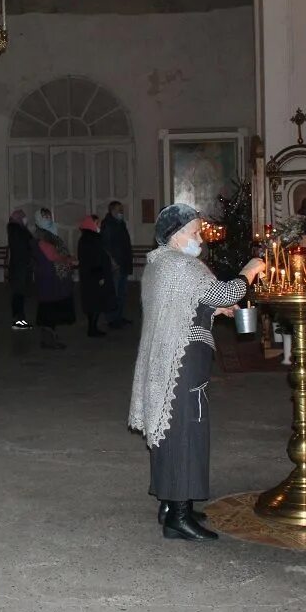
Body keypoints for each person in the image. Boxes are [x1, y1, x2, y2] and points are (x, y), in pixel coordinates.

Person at [129, 203, 265, 541]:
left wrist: (213, 309)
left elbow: (180, 305)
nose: (200, 237)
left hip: (167, 355)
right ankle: (179, 517)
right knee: (186, 431)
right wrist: (250, 269)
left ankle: (170, 502)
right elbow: (229, 291)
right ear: (176, 236)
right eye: (194, 231)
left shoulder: (160, 263)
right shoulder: (183, 266)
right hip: (183, 359)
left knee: (169, 429)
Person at [32, 208, 75, 350]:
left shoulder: (49, 235)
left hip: (51, 276)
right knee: (49, 310)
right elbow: (52, 256)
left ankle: (49, 338)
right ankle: (49, 340)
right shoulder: (41, 238)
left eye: (49, 216)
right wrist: (68, 259)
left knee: (49, 309)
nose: (48, 219)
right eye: (44, 217)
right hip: (48, 277)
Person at [78, 215, 117, 338]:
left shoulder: (87, 238)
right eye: (97, 223)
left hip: (90, 275)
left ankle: (93, 327)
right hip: (95, 276)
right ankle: (92, 329)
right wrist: (100, 276)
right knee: (95, 303)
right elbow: (94, 259)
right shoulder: (91, 239)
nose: (99, 225)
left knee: (93, 303)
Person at [100, 201, 133, 329]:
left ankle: (119, 316)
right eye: (119, 209)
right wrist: (113, 262)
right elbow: (106, 246)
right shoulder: (108, 224)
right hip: (115, 264)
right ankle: (112, 319)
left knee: (122, 293)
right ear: (112, 210)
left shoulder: (120, 223)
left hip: (123, 262)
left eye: (122, 209)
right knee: (114, 292)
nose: (122, 212)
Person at [5, 210, 34, 330]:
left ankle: (18, 317)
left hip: (18, 267)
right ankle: (20, 320)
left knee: (17, 293)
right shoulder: (19, 231)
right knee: (19, 294)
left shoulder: (15, 230)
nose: (25, 220)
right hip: (21, 267)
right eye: (24, 217)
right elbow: (24, 247)